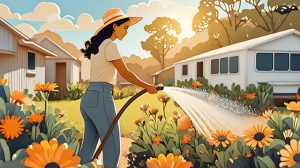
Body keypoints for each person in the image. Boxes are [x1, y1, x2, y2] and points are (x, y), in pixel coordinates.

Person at [79, 8, 157, 167]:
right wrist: (147, 86)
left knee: (88, 148)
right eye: (125, 27)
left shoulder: (98, 47)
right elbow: (125, 73)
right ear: (115, 26)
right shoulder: (110, 46)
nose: (127, 32)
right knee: (112, 145)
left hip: (89, 97)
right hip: (101, 96)